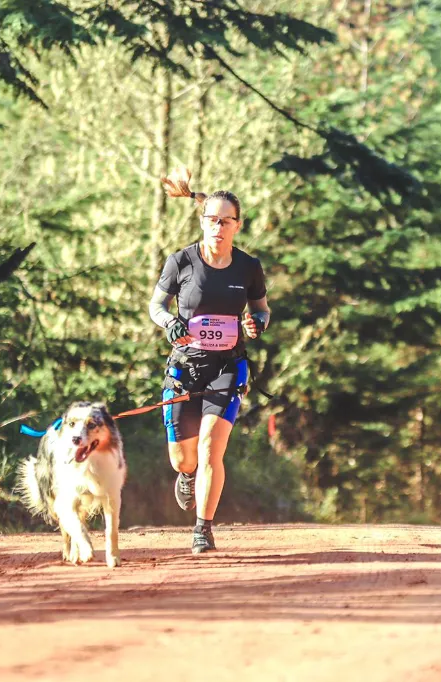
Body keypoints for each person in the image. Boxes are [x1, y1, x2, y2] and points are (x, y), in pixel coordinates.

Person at [147, 168, 271, 554]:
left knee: (209, 450)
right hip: (185, 370)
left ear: (238, 225)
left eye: (226, 221)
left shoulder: (248, 267)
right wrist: (170, 323)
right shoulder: (180, 262)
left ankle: (203, 528)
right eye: (212, 220)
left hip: (227, 369)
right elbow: (155, 306)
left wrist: (256, 323)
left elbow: (262, 310)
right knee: (184, 460)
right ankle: (186, 476)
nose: (218, 227)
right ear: (203, 222)